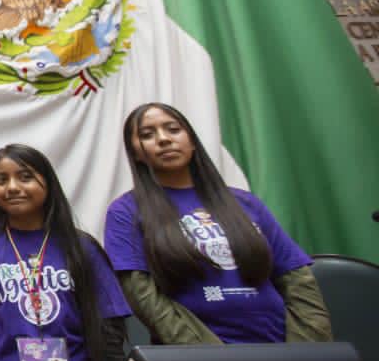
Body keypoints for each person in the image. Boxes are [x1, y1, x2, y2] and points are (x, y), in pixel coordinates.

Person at [104, 102, 331, 345]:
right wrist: (206, 355)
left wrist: (305, 352)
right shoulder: (126, 211)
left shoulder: (245, 203)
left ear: (192, 141)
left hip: (282, 350)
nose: (163, 139)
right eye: (147, 135)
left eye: (173, 129)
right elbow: (142, 296)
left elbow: (296, 277)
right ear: (135, 152)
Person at [0, 144, 130, 361]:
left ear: (48, 182)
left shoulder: (81, 245)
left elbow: (110, 323)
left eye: (25, 177)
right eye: (1, 180)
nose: (12, 187)